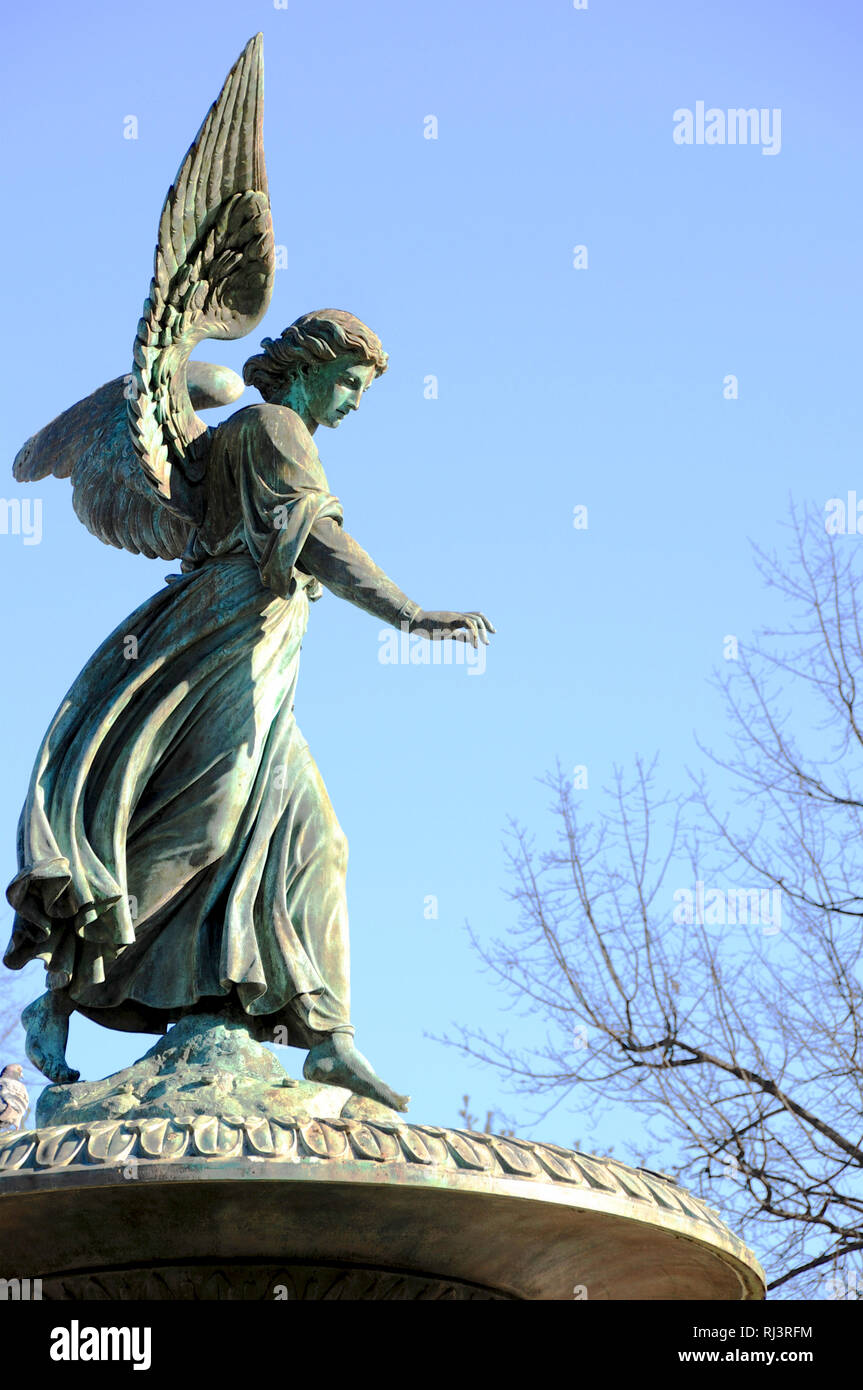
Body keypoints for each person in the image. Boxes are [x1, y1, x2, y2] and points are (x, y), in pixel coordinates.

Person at [4, 309, 493, 1112]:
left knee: (313, 837)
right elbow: (316, 541)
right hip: (227, 636)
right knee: (211, 818)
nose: (354, 404)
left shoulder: (254, 431)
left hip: (260, 646)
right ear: (305, 369)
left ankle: (329, 1039)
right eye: (348, 383)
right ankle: (63, 987)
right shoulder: (271, 425)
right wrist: (410, 615)